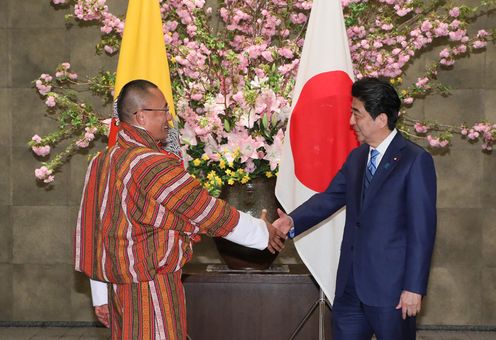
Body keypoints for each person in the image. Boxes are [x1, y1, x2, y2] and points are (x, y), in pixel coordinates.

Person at [74, 79, 285, 339]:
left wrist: (99, 294)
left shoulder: (101, 161)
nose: (168, 117)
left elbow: (96, 231)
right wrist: (264, 234)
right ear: (141, 116)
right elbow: (208, 213)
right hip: (150, 290)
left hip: (118, 289)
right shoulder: (151, 164)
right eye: (163, 110)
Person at [273, 77, 436, 340]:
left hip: (392, 292)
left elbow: (422, 231)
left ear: (381, 119)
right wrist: (292, 221)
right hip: (350, 288)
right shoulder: (358, 157)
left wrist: (414, 288)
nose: (351, 122)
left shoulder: (414, 161)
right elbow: (329, 198)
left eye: (356, 114)